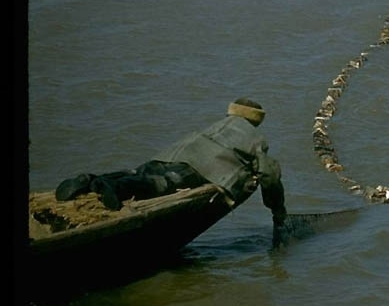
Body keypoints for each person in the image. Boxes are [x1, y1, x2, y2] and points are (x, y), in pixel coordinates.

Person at [54, 98, 288, 235]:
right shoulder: (255, 138)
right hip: (197, 168)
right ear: (257, 120)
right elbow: (269, 176)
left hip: (169, 157)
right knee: (159, 184)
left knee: (140, 173)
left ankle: (94, 179)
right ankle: (111, 187)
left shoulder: (217, 125)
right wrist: (277, 209)